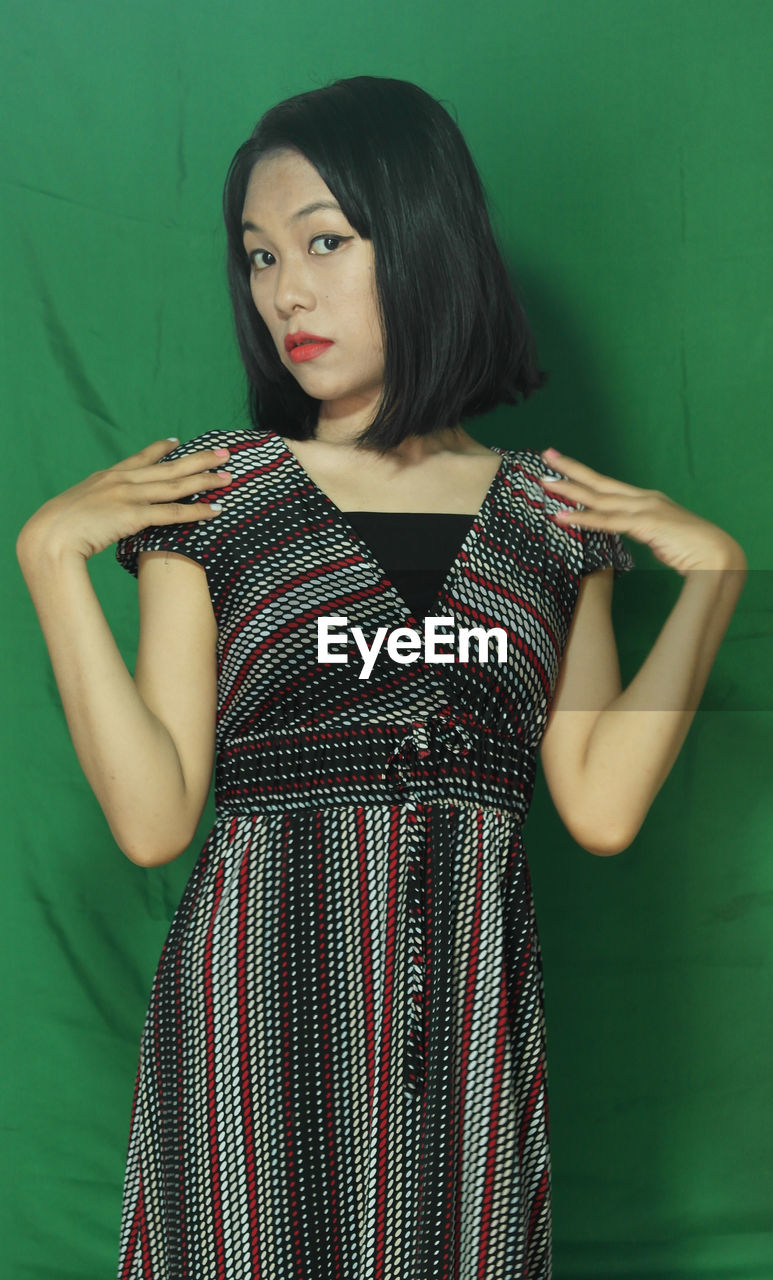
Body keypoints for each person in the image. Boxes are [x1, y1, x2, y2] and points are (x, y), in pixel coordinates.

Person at [16, 75, 747, 1280]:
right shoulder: (217, 493)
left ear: (419, 239)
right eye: (257, 256)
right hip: (253, 1023)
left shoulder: (553, 514)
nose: (284, 291)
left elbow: (600, 804)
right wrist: (50, 560)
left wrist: (711, 577)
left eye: (323, 242)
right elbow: (153, 819)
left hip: (464, 1032)